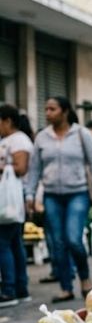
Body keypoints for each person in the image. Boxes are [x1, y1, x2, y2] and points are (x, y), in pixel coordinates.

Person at [25, 96, 92, 303]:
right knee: (57, 243)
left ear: (64, 111)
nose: (48, 113)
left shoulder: (82, 134)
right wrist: (30, 194)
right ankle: (65, 287)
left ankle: (85, 278)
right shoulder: (42, 137)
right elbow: (34, 168)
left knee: (73, 238)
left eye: (52, 109)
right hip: (52, 195)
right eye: (46, 109)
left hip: (77, 194)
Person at [0, 105, 33, 307]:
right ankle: (20, 288)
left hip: (12, 198)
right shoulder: (7, 141)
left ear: (8, 121)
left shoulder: (19, 140)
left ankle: (9, 290)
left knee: (3, 243)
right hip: (10, 198)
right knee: (14, 243)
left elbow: (21, 168)